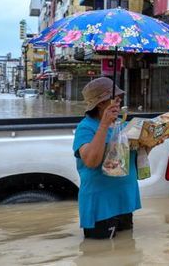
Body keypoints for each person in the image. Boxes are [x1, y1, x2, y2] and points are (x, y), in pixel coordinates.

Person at [73, 77, 139, 239]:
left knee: (127, 251)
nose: (119, 102)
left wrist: (149, 145)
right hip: (101, 202)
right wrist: (103, 125)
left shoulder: (122, 125)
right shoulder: (86, 128)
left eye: (119, 99)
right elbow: (91, 161)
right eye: (115, 99)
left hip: (124, 198)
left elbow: (130, 162)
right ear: (101, 103)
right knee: (99, 254)